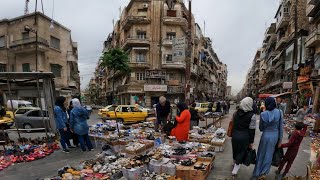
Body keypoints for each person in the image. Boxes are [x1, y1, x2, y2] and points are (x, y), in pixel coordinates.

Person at [252, 97, 283, 179]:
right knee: (269, 154)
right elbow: (281, 127)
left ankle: (257, 172)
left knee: (261, 154)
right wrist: (280, 141)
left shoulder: (263, 114)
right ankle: (264, 173)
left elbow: (261, 128)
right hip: (275, 136)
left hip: (265, 135)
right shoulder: (279, 112)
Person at [231, 97, 256, 177]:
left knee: (235, 150)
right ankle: (234, 171)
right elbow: (252, 130)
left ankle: (234, 163)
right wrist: (251, 141)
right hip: (244, 137)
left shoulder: (236, 113)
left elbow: (234, 124)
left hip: (235, 136)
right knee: (241, 153)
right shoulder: (252, 115)